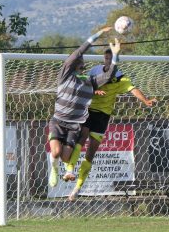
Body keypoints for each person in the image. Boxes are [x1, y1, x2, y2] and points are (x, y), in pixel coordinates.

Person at [63, 48, 157, 200]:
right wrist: (93, 90)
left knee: (91, 153)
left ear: (115, 61)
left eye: (111, 59)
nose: (107, 61)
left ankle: (77, 188)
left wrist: (145, 100)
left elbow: (133, 89)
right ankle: (70, 169)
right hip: (89, 111)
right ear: (104, 59)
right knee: (83, 135)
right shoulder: (95, 71)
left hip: (103, 117)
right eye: (106, 58)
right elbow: (82, 82)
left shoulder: (120, 78)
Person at [48, 27, 121, 188]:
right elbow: (78, 52)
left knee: (67, 157)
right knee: (56, 152)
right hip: (59, 121)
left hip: (74, 126)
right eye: (77, 67)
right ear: (72, 67)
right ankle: (53, 169)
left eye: (82, 67)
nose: (80, 69)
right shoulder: (65, 76)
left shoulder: (91, 82)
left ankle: (66, 167)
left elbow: (109, 75)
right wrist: (96, 36)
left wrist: (115, 55)